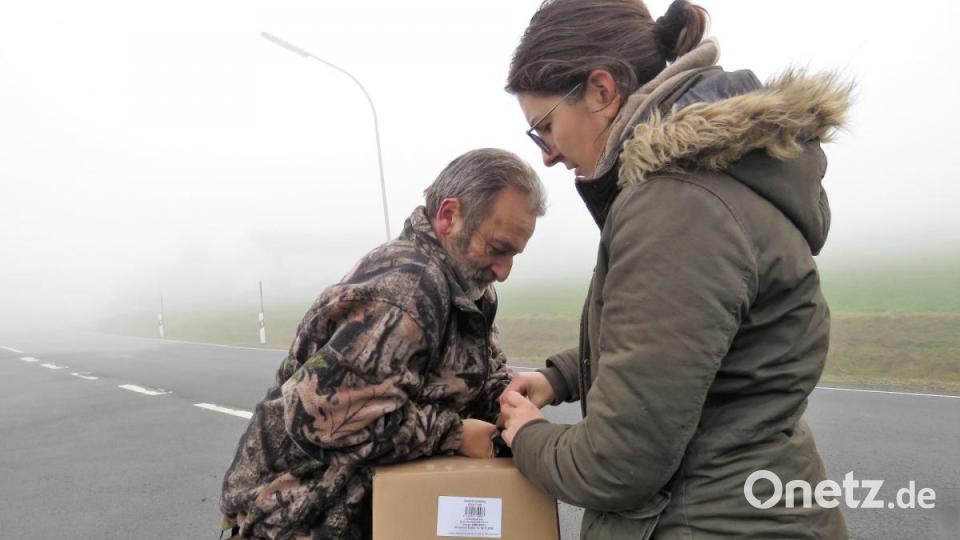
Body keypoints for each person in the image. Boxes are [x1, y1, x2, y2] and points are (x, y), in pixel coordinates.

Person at [497, 1, 852, 538]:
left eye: (544, 127)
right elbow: (687, 341)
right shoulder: (710, 182)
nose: (547, 154)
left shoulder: (676, 204)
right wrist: (561, 377)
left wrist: (526, 436)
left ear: (601, 90)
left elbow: (617, 463)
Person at [220, 148, 546, 539]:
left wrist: (509, 398)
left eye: (514, 253)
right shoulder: (406, 291)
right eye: (497, 249)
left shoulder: (470, 288)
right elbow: (325, 418)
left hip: (379, 509)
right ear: (448, 217)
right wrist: (455, 435)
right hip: (300, 517)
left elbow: (463, 377)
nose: (504, 270)